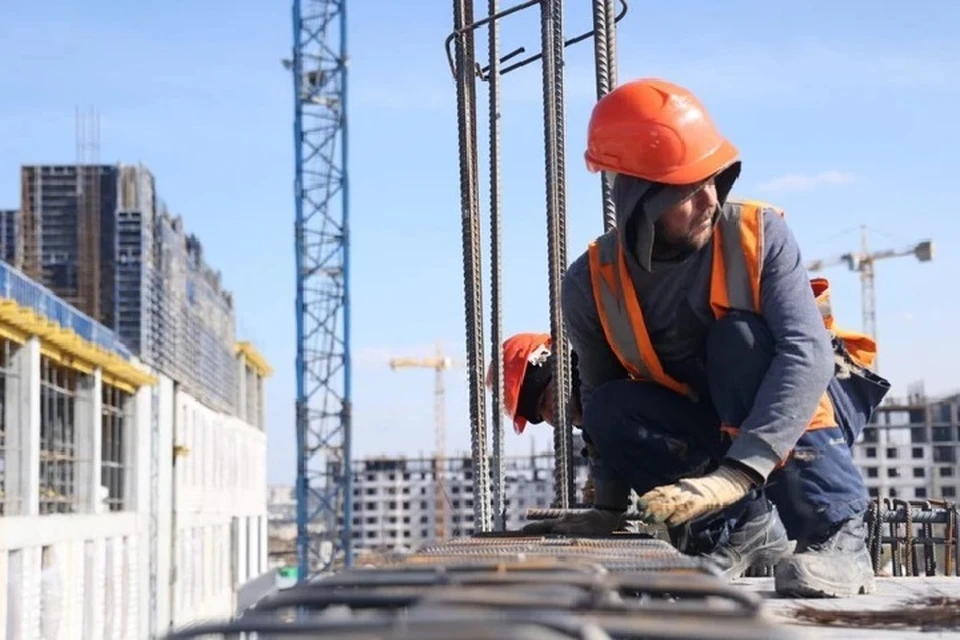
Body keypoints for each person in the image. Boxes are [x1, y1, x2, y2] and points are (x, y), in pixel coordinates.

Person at [523, 78, 891, 598]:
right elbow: (602, 405)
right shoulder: (590, 283)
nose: (708, 200)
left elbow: (805, 355)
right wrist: (606, 509)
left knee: (737, 341)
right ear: (637, 200)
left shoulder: (758, 234)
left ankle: (835, 536)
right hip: (709, 415)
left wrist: (738, 473)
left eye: (712, 181)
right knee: (609, 406)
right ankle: (741, 528)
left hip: (806, 402)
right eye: (685, 191)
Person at [486, 332, 597, 503]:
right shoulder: (592, 425)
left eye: (544, 400)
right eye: (538, 415)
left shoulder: (603, 379)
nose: (549, 415)